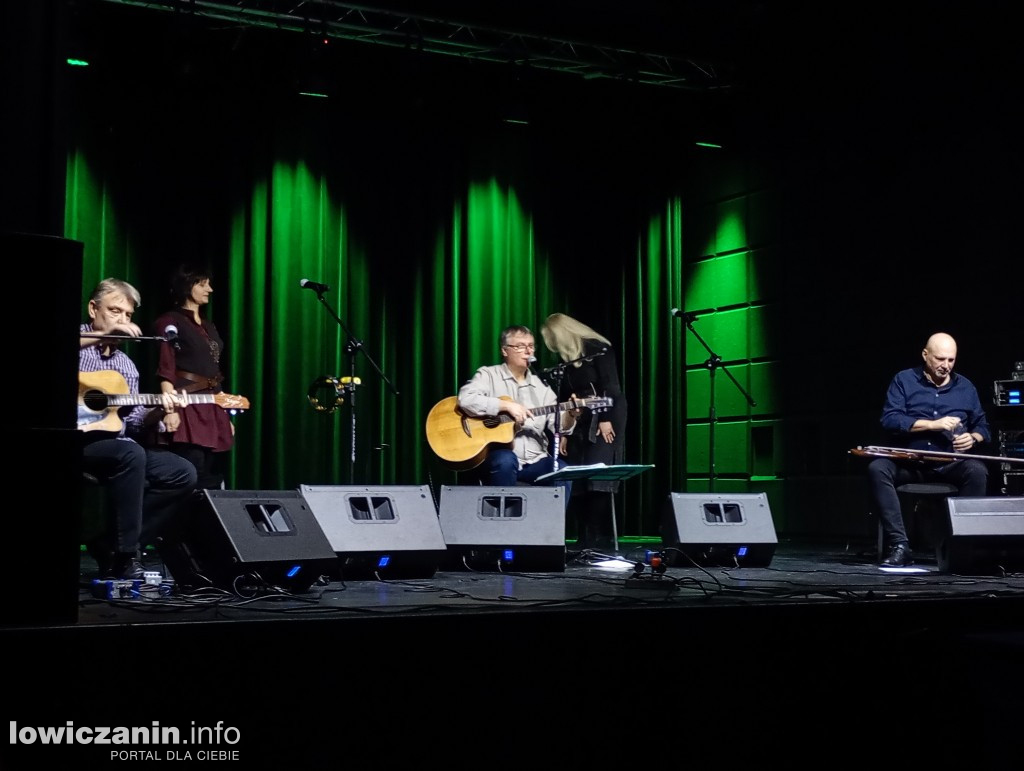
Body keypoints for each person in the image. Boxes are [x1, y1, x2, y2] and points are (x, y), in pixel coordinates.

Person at [80, 278, 198, 579]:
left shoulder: (126, 366)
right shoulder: (78, 341)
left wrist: (160, 408)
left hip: (113, 444)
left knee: (181, 472)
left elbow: (130, 422)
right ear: (94, 309)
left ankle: (109, 544)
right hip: (76, 441)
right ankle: (126, 556)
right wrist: (104, 334)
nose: (122, 321)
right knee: (131, 454)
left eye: (128, 316)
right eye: (115, 311)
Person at [867, 332, 990, 566]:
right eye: (940, 359)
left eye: (951, 360)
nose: (946, 366)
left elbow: (983, 426)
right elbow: (890, 420)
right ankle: (900, 545)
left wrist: (973, 438)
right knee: (877, 468)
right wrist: (932, 425)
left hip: (948, 464)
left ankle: (961, 547)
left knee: (977, 470)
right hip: (910, 463)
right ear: (926, 355)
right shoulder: (904, 380)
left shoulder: (966, 387)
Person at [457, 325, 578, 497]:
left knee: (563, 471)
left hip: (535, 460)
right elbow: (466, 399)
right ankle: (503, 521)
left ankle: (552, 524)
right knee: (506, 460)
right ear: (505, 351)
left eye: (531, 346)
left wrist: (571, 415)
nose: (528, 351)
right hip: (497, 455)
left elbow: (558, 427)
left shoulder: (542, 387)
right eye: (520, 346)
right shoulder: (489, 375)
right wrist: (505, 406)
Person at [540, 313, 627, 552]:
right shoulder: (566, 361)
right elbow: (564, 397)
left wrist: (606, 419)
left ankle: (598, 536)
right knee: (576, 475)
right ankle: (583, 537)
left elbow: (612, 386)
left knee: (596, 473)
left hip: (605, 415)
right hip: (577, 418)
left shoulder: (598, 349)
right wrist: (564, 431)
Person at [152, 265, 235, 490]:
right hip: (187, 408)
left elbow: (213, 371)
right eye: (202, 283)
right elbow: (166, 368)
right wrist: (170, 411)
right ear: (187, 286)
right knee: (193, 472)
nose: (210, 289)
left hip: (212, 406)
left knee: (213, 476)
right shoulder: (169, 322)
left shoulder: (208, 326)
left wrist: (224, 413)